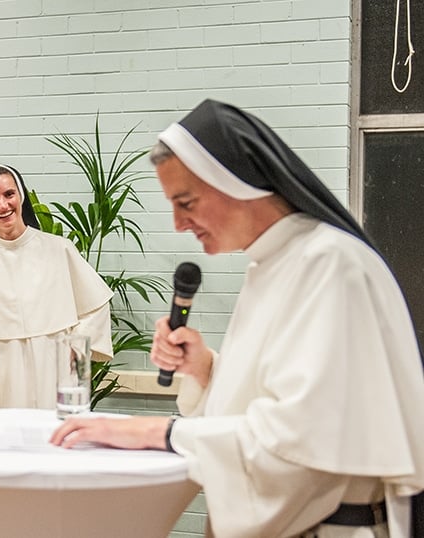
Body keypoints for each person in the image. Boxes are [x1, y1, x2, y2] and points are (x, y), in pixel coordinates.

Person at [50, 99, 424, 537]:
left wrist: (158, 432)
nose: (177, 223)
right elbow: (287, 401)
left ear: (239, 182)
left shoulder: (330, 264)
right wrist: (208, 369)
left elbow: (301, 444)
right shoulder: (273, 264)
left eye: (185, 202)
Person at [0, 164, 114, 410]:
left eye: (9, 195)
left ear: (21, 196)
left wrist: (75, 349)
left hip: (55, 372)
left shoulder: (60, 249)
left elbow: (96, 307)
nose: (3, 206)